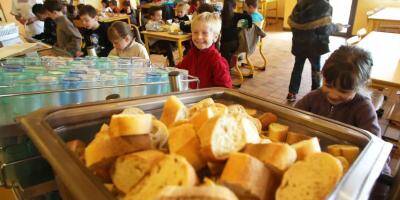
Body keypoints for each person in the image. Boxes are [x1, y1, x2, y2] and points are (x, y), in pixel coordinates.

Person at [295, 45, 391, 184]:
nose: (333, 95)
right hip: (314, 162)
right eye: (328, 85)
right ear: (322, 75)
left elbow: (376, 148)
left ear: (361, 85)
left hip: (347, 172)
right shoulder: (313, 98)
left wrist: (381, 180)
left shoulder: (363, 108)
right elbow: (294, 117)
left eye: (344, 91)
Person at [286, 0, 343, 101]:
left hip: (299, 43)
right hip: (315, 45)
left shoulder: (300, 3)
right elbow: (324, 29)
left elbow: (293, 24)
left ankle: (292, 93)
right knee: (316, 69)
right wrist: (337, 27)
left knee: (297, 68)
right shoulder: (324, 5)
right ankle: (316, 94)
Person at [177, 12, 232, 88]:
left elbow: (225, 89)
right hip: (192, 96)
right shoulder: (191, 54)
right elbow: (180, 68)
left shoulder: (217, 61)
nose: (199, 37)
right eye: (195, 32)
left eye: (204, 33)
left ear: (215, 37)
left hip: (208, 98)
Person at [220, 0, 252, 67]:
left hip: (224, 45)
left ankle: (225, 66)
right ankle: (229, 64)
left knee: (219, 47)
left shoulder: (221, 15)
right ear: (234, 7)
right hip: (235, 44)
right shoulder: (237, 15)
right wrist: (248, 26)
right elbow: (249, 17)